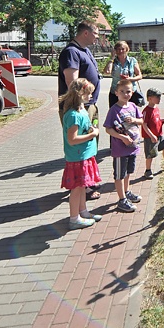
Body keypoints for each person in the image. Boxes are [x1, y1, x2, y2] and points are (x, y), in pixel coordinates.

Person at [59, 78, 103, 229]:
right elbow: (72, 139)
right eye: (88, 93)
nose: (91, 96)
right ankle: (74, 218)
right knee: (77, 189)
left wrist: (91, 129)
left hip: (84, 155)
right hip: (77, 158)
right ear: (80, 94)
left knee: (82, 187)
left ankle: (83, 212)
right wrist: (92, 135)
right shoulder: (73, 115)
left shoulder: (82, 110)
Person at [103, 78, 144, 213]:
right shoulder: (114, 110)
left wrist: (135, 120)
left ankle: (126, 192)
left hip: (132, 147)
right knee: (119, 175)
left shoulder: (132, 106)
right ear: (116, 93)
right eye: (122, 92)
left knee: (128, 172)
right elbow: (108, 129)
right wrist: (122, 137)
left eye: (128, 92)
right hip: (120, 150)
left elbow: (141, 121)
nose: (125, 94)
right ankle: (121, 200)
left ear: (132, 93)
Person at [58, 21, 102, 123]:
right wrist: (80, 106)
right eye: (95, 33)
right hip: (78, 108)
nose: (97, 37)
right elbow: (73, 84)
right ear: (85, 33)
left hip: (89, 104)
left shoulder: (85, 50)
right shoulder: (71, 52)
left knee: (91, 138)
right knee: (81, 138)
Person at [141, 87, 164, 178]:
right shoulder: (146, 111)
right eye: (157, 97)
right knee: (150, 154)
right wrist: (151, 136)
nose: (159, 99)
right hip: (150, 137)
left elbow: (156, 120)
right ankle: (148, 170)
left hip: (159, 134)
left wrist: (163, 121)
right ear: (150, 98)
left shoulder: (156, 108)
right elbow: (144, 125)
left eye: (159, 97)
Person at [105, 40, 144, 108]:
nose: (120, 51)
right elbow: (107, 71)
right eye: (118, 49)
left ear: (127, 49)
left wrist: (130, 79)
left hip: (129, 92)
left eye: (122, 49)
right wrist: (112, 58)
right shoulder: (113, 62)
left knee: (130, 113)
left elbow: (139, 76)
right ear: (115, 51)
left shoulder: (132, 61)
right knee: (115, 114)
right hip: (116, 93)